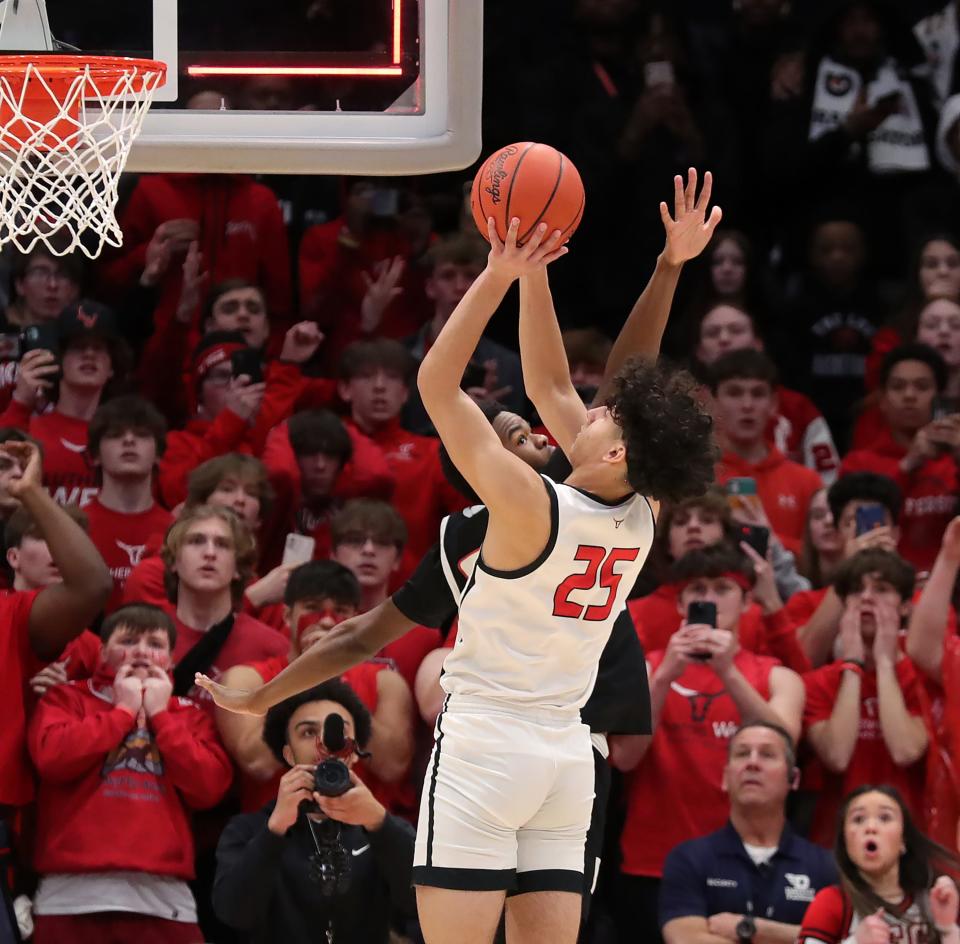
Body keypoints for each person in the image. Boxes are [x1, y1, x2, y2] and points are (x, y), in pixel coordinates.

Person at [198, 169, 722, 943]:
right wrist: (660, 267)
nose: (589, 400)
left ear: (614, 450)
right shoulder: (641, 511)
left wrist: (497, 274)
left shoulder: (526, 504)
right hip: (569, 757)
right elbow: (583, 382)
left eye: (603, 412)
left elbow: (439, 384)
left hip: (488, 747)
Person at [613, 543, 805, 944]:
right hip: (652, 859)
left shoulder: (775, 676)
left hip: (744, 859)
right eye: (697, 590)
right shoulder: (648, 667)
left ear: (748, 601)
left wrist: (728, 672)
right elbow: (624, 758)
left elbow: (784, 745)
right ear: (681, 604)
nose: (709, 599)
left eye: (722, 589)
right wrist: (665, 675)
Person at [27, 604, 233, 944]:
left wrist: (160, 716)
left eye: (155, 643)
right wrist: (122, 712)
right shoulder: (67, 698)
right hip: (69, 899)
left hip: (164, 901)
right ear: (103, 653)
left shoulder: (189, 713)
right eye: (128, 640)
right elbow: (51, 759)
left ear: (170, 659)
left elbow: (209, 787)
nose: (141, 650)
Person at [212, 680, 417, 944]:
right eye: (308, 732)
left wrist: (380, 823)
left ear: (354, 752)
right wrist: (274, 831)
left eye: (338, 732)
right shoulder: (248, 829)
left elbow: (420, 905)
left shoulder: (380, 826)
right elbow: (233, 914)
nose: (325, 744)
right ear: (288, 753)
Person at [214, 560, 414, 814]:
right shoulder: (248, 680)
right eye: (313, 608)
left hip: (362, 839)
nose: (328, 622)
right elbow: (257, 763)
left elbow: (392, 766)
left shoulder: (385, 681)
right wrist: (307, 675)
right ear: (287, 615)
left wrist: (333, 679)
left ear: (357, 618)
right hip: (275, 837)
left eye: (340, 610)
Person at [659, 722, 837, 944]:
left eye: (767, 755)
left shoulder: (826, 866)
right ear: (725, 777)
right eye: (742, 754)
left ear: (794, 779)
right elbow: (684, 939)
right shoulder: (689, 858)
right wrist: (798, 936)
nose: (752, 763)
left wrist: (754, 929)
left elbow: (840, 939)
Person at [802, 548, 928, 847]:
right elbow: (837, 756)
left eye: (881, 589)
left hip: (909, 842)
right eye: (857, 590)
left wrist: (885, 665)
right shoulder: (818, 683)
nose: (867, 598)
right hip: (834, 842)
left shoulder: (922, 677)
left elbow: (906, 749)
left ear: (907, 607)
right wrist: (853, 665)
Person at [839, 342, 960, 572]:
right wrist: (908, 465)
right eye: (898, 387)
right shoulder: (858, 464)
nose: (909, 395)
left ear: (940, 398)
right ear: (882, 400)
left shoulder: (953, 461)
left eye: (922, 387)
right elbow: (859, 528)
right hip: (882, 585)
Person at [692, 301, 840, 483]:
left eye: (736, 330)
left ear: (757, 344)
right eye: (712, 333)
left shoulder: (798, 408)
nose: (724, 339)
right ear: (699, 351)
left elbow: (827, 485)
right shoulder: (684, 408)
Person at [0, 300, 130, 507]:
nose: (89, 354)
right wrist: (21, 402)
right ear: (58, 360)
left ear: (112, 365)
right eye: (78, 347)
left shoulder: (128, 438)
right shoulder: (28, 429)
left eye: (98, 348)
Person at [797, 785, 960, 943]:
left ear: (904, 840)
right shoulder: (832, 902)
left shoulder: (934, 899)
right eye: (858, 819)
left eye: (885, 817)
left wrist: (948, 929)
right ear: (845, 842)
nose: (871, 827)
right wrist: (855, 942)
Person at [159, 503, 287, 704]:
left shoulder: (271, 647)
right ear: (174, 560)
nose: (210, 553)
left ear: (238, 566)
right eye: (196, 541)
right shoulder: (148, 636)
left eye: (222, 544)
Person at [402, 232, 527, 432]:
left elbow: (520, 444)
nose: (459, 287)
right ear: (430, 287)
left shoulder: (509, 365)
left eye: (470, 276)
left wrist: (489, 416)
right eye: (448, 276)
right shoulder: (401, 358)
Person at [711, 348, 824, 554]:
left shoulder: (807, 482)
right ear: (713, 402)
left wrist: (765, 538)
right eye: (734, 393)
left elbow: (818, 558)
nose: (747, 405)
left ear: (773, 404)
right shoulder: (697, 477)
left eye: (758, 393)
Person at [330, 498, 440, 689]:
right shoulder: (316, 621)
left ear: (397, 559)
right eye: (355, 540)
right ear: (333, 554)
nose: (369, 550)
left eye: (382, 542)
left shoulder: (422, 633)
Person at [84, 396, 173, 612]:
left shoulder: (176, 529)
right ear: (95, 455)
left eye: (142, 435)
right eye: (115, 435)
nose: (129, 441)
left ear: (158, 455)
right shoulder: (74, 527)